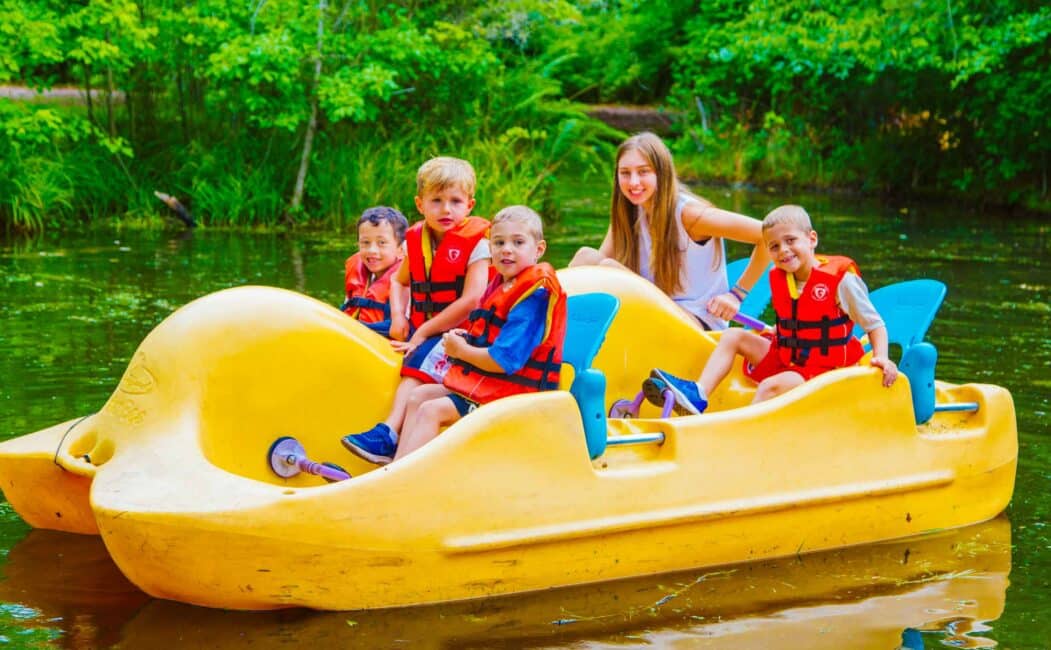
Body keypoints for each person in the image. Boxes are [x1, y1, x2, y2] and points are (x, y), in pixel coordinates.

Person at [342, 205, 566, 464]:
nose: (507, 249)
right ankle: (396, 466)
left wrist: (461, 351)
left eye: (518, 242)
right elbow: (490, 331)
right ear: (490, 247)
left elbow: (505, 360)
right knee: (418, 396)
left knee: (431, 410)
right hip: (495, 385)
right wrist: (466, 336)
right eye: (499, 242)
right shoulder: (504, 282)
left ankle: (401, 478)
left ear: (538, 250)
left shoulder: (534, 294)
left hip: (516, 395)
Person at [642, 205, 898, 415]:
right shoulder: (780, 276)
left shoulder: (841, 281)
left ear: (812, 239)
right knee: (734, 336)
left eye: (790, 241)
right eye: (774, 246)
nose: (783, 250)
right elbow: (797, 320)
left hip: (824, 371)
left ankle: (742, 436)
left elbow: (875, 325)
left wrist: (882, 357)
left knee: (770, 386)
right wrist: (783, 332)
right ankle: (698, 395)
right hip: (788, 357)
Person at [340, 157, 492, 459]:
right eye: (436, 201)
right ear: (420, 204)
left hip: (463, 332)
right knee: (370, 333)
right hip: (423, 325)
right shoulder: (416, 242)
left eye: (455, 201)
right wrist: (398, 318)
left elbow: (472, 299)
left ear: (470, 205)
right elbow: (400, 281)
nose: (446, 209)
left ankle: (388, 432)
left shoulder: (478, 245)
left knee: (420, 357)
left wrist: (420, 332)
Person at [569, 132, 768, 331]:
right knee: (586, 257)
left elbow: (769, 236)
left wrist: (736, 295)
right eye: (625, 173)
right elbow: (592, 274)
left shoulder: (690, 215)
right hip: (653, 311)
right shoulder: (627, 212)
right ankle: (555, 330)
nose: (633, 182)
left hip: (696, 325)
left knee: (607, 266)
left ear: (661, 173)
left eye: (643, 172)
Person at [340, 206, 409, 337]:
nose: (372, 250)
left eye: (381, 242)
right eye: (365, 242)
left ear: (400, 249)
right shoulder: (358, 275)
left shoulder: (406, 282)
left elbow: (405, 328)